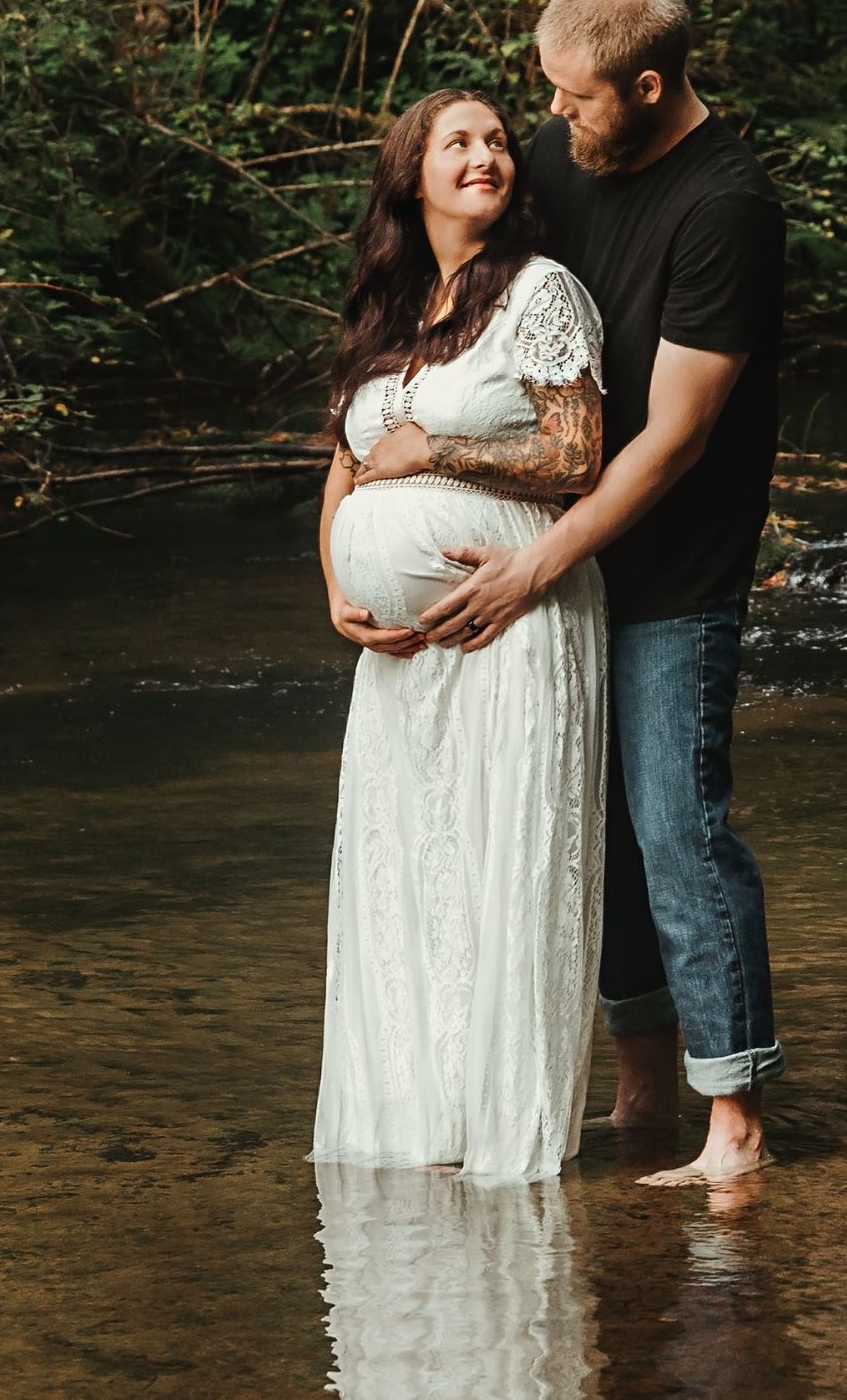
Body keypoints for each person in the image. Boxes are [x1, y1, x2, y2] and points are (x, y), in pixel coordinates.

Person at [417, 0, 785, 1186]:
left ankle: (734, 1125)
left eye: (575, 100)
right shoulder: (567, 149)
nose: (553, 124)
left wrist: (530, 569)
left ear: (647, 81)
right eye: (549, 98)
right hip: (567, 568)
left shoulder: (725, 203)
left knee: (678, 828)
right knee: (603, 842)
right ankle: (639, 1100)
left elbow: (672, 440)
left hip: (673, 570)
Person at [311, 87, 609, 1185]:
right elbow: (345, 463)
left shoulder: (542, 292)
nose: (486, 155)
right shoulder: (388, 308)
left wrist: (439, 450)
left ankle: (502, 1133)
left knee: (495, 861)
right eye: (458, 141)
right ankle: (418, 1123)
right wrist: (337, 582)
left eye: (496, 141)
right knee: (410, 872)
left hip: (513, 623)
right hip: (396, 658)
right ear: (410, 173)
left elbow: (579, 454)